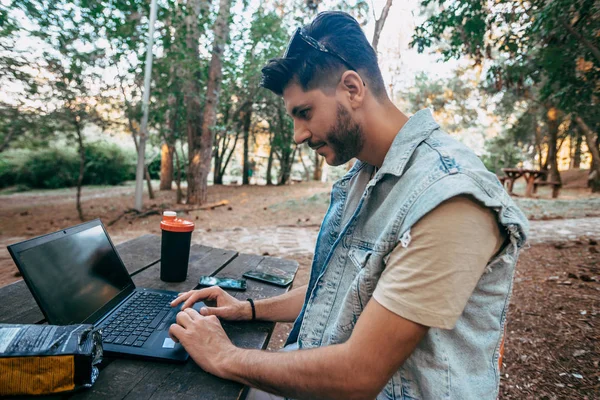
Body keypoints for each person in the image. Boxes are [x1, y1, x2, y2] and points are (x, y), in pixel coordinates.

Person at [169, 11, 529, 400]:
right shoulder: (366, 175)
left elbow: (359, 375)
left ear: (353, 88)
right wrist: (247, 309)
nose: (298, 135)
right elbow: (340, 290)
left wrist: (224, 356)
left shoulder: (450, 199)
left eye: (304, 113)